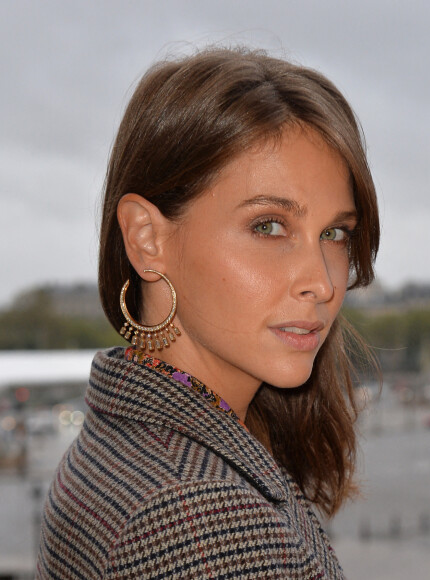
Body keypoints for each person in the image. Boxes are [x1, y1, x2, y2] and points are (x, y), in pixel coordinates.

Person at [36, 46, 380, 579]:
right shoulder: (196, 519)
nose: (322, 281)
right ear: (147, 240)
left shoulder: (124, 451)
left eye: (335, 233)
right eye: (268, 226)